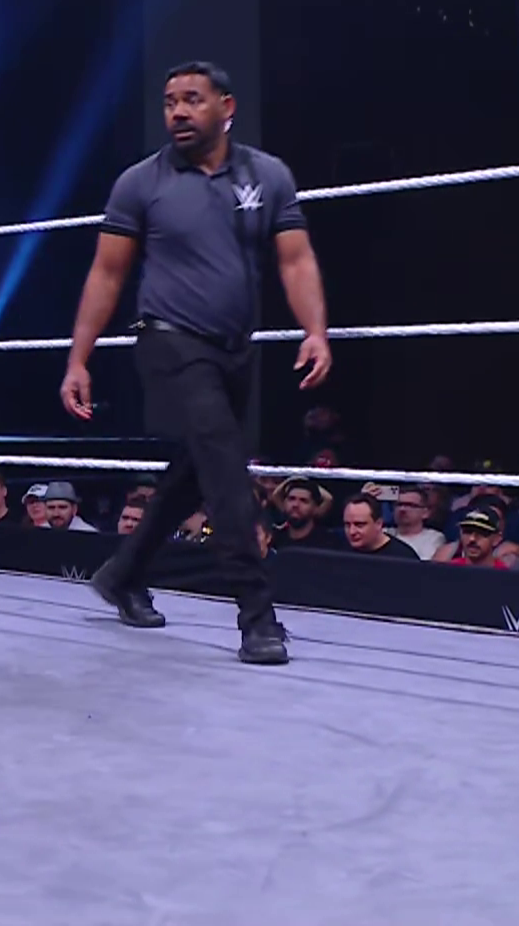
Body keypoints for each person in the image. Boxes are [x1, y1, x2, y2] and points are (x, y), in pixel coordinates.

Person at [61, 60, 332, 665]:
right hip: (168, 341)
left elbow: (295, 260)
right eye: (169, 101)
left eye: (191, 99)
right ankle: (257, 617)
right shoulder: (141, 182)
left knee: (196, 469)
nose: (178, 111)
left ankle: (124, 573)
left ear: (226, 108)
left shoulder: (267, 175)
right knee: (227, 471)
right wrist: (79, 360)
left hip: (235, 349)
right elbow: (107, 274)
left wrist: (315, 331)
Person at [339, 494, 420, 559]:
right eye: (347, 525)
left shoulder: (403, 557)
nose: (352, 531)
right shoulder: (339, 550)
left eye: (359, 525)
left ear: (378, 524)